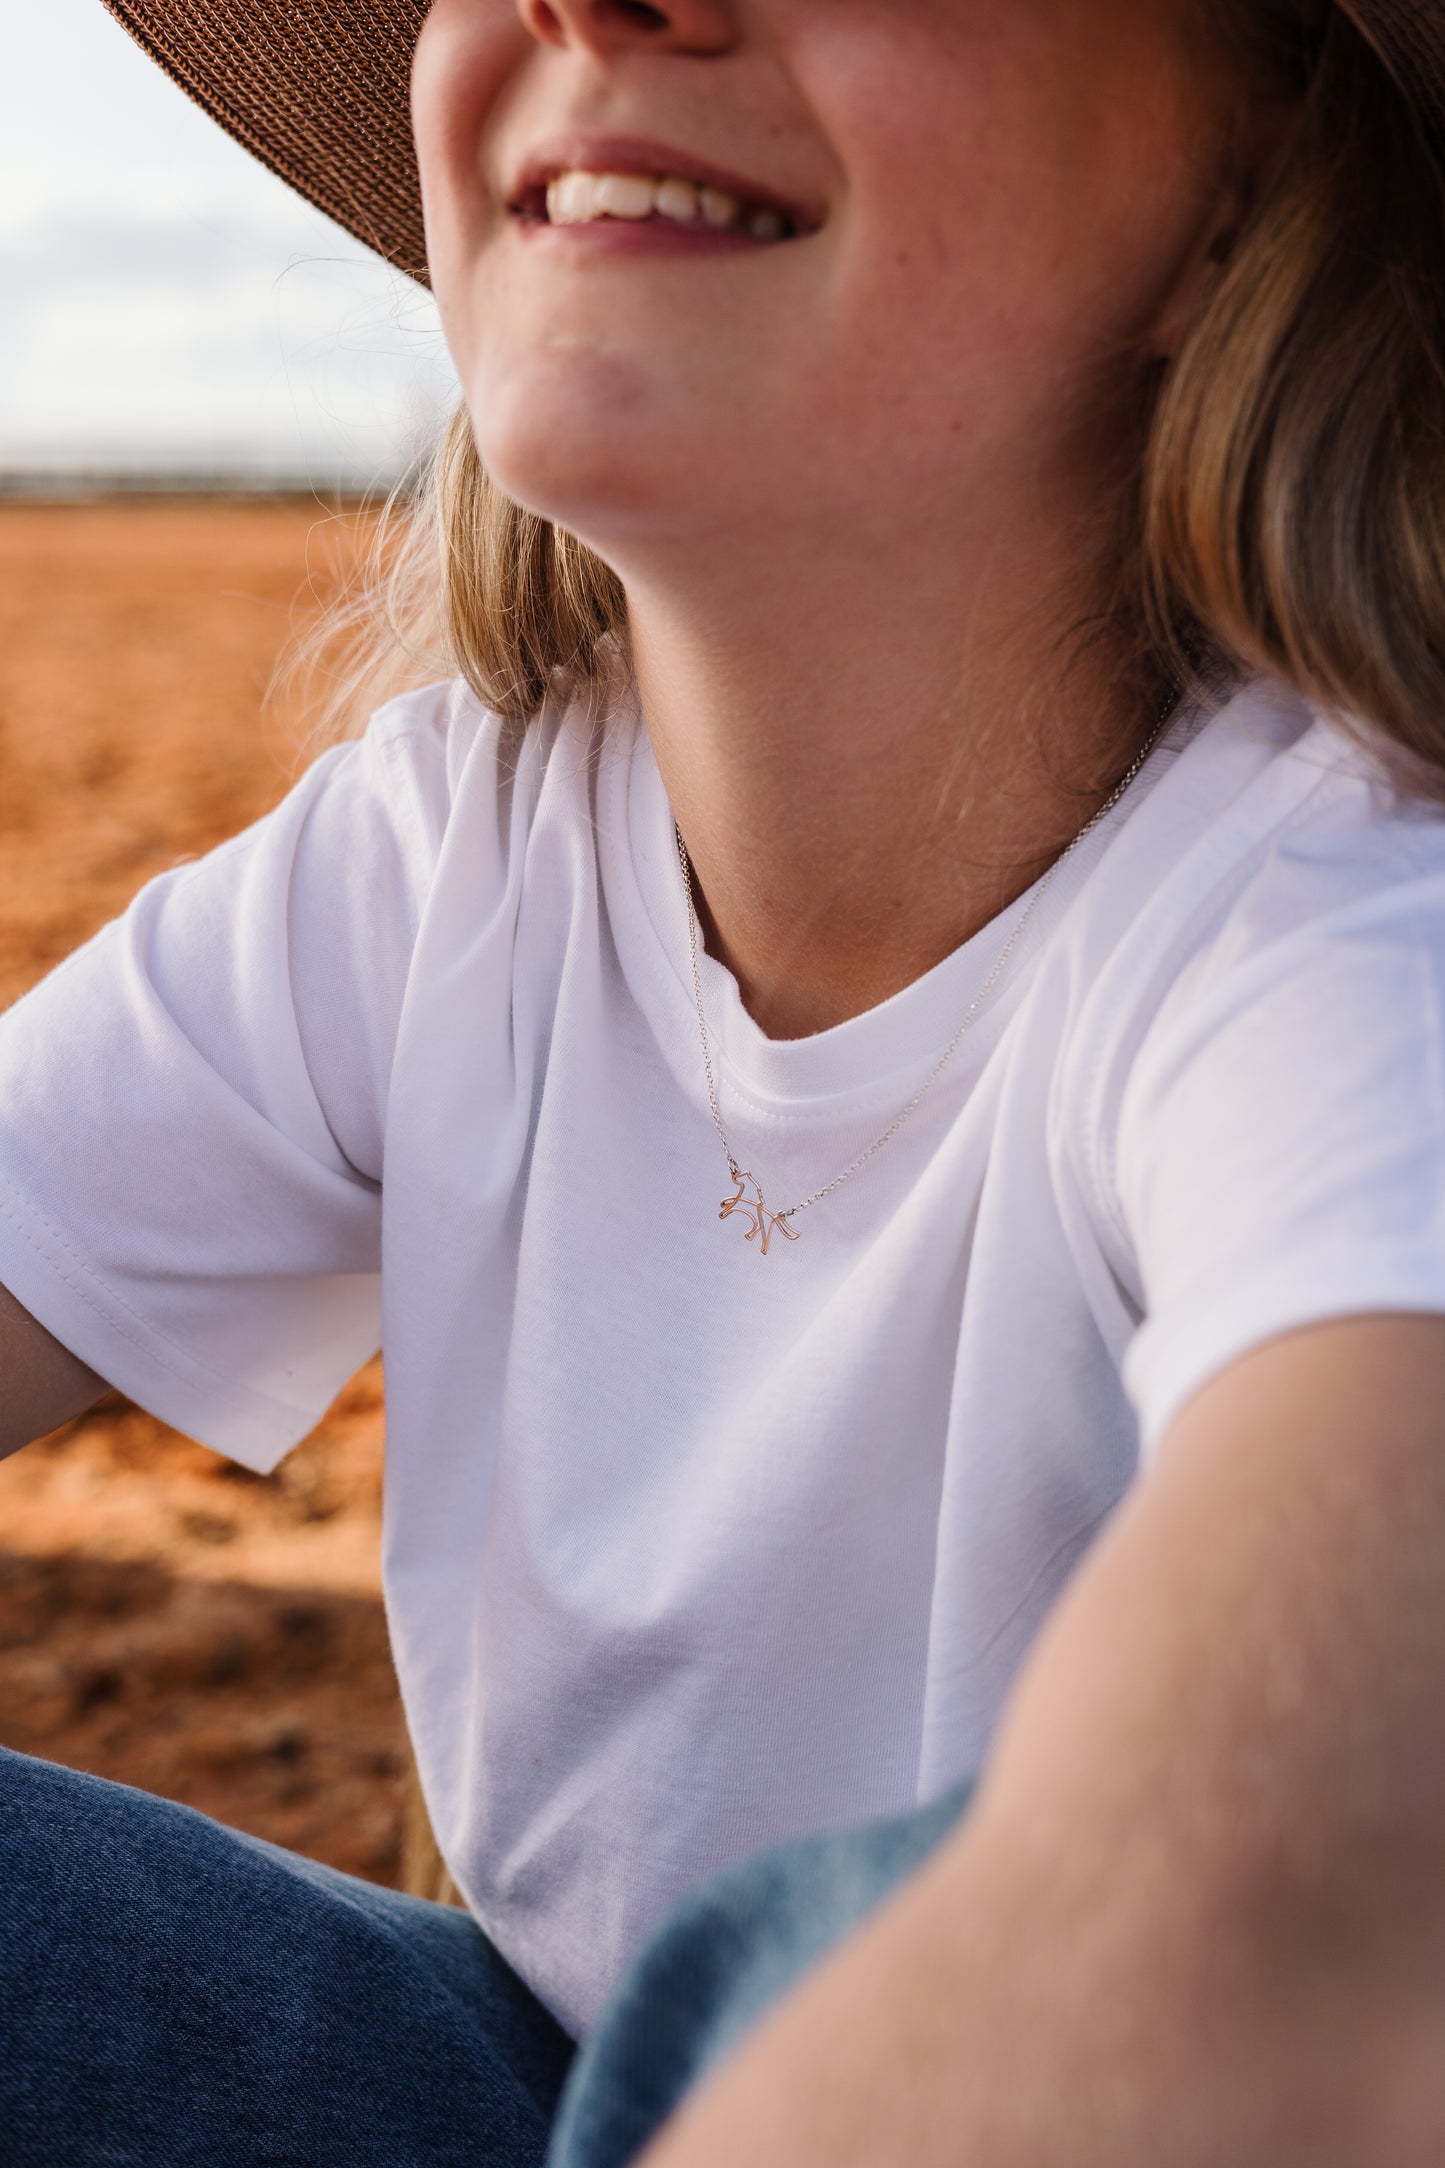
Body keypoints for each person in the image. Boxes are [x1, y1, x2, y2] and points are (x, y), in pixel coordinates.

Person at [5, 0, 1445, 2158]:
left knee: (879, 1942)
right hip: (574, 2092)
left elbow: (1289, 1873)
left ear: (1244, 184)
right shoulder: (455, 848)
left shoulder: (1347, 935)